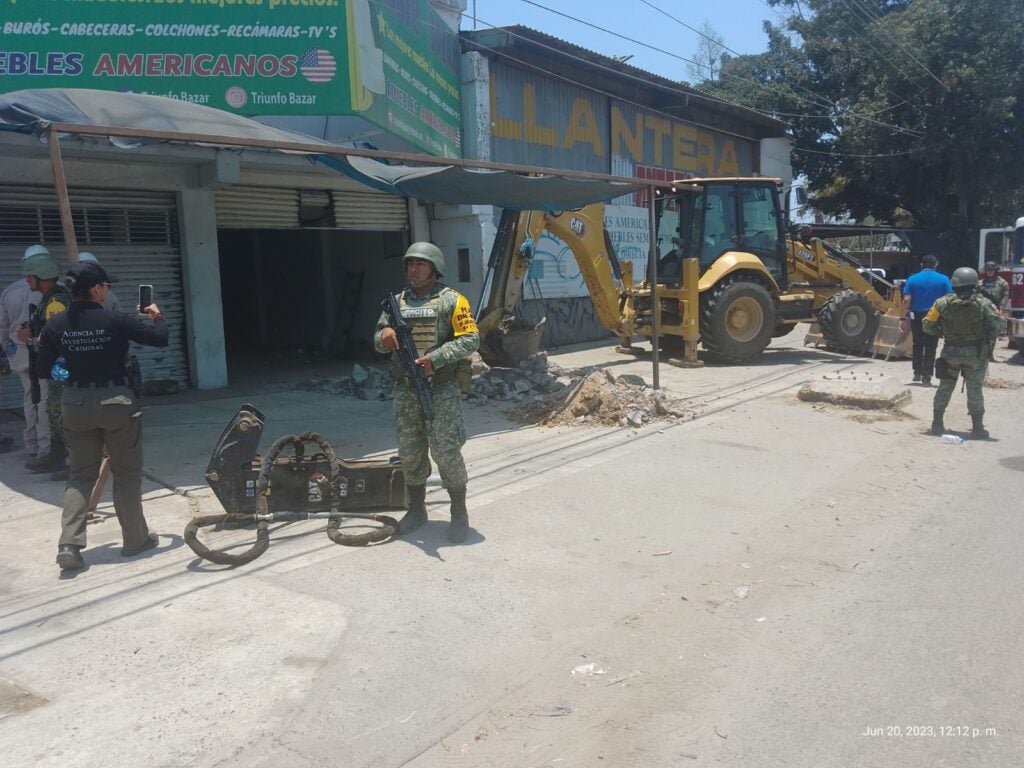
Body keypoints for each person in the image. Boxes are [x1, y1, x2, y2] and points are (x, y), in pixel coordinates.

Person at [35, 260, 169, 572]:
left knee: (80, 475)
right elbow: (160, 338)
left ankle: (69, 544)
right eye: (106, 286)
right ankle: (136, 540)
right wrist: (155, 312)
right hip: (115, 402)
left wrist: (76, 370)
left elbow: (43, 369)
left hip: (76, 404)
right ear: (95, 289)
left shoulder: (56, 325)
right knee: (126, 473)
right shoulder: (116, 320)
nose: (107, 290)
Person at [374, 242, 480, 543]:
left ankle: (459, 512)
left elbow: (471, 339)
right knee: (410, 452)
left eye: (420, 264)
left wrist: (435, 359)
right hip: (406, 390)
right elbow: (377, 340)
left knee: (446, 452)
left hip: (441, 390)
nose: (413, 270)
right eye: (409, 264)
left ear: (434, 268)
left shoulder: (452, 301)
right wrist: (385, 335)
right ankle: (417, 509)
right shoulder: (396, 302)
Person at [922, 267, 1004, 439]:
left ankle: (937, 424)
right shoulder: (984, 303)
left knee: (945, 387)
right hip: (976, 354)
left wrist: (943, 332)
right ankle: (978, 428)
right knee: (975, 390)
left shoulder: (942, 302)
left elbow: (927, 325)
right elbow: (999, 327)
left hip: (950, 351)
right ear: (974, 283)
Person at [18, 249, 71, 474]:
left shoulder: (56, 302)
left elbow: (58, 339)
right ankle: (57, 457)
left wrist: (32, 335)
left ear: (42, 275)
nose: (27, 280)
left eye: (30, 276)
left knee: (61, 414)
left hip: (61, 369)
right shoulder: (49, 300)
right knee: (53, 412)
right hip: (54, 367)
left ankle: (68, 462)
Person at [0, 245, 47, 458]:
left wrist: (7, 348)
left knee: (30, 397)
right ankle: (47, 443)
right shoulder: (51, 290)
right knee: (47, 399)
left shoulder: (9, 291)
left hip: (19, 355)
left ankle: (32, 443)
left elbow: (2, 328)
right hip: (45, 354)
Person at [898, 254, 952, 385]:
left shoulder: (912, 279)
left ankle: (917, 372)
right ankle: (927, 377)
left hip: (917, 316)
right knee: (931, 346)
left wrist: (902, 319)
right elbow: (949, 299)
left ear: (921, 265)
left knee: (917, 344)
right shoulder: (944, 279)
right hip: (935, 317)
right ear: (936, 265)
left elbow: (906, 300)